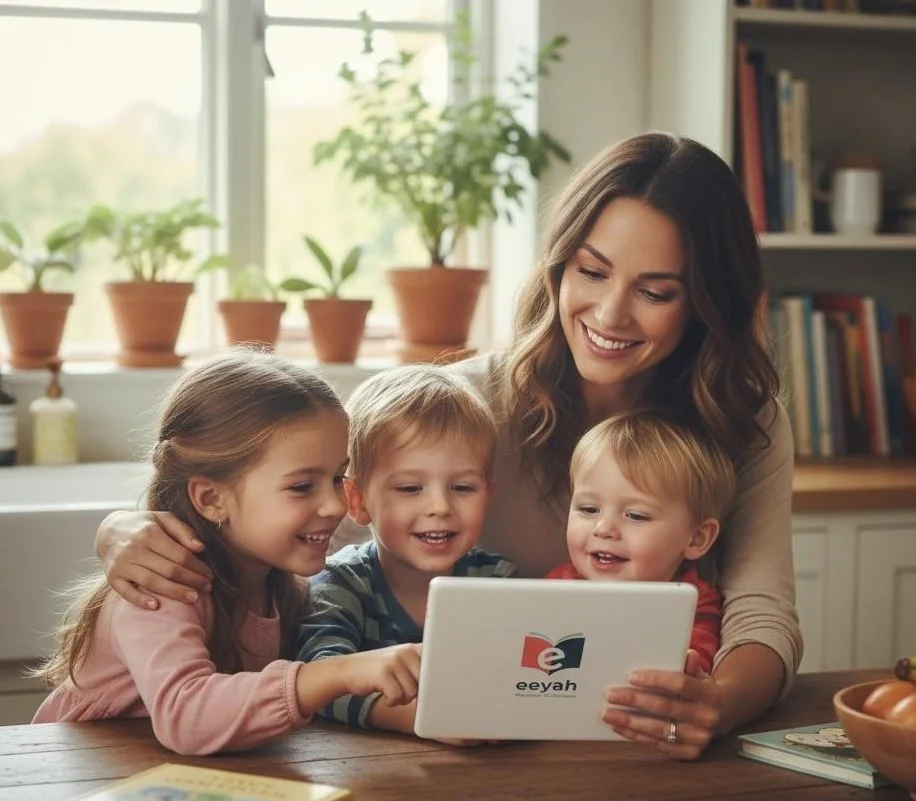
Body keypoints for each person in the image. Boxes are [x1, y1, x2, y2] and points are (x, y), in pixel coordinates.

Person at [94, 133, 801, 761]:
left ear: (708, 301)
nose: (610, 313)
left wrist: (718, 703)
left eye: (656, 290)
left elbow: (763, 616)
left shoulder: (744, 422)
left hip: (633, 758)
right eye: (590, 272)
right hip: (446, 766)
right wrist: (124, 526)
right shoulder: (455, 406)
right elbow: (288, 494)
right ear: (557, 267)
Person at [31, 349, 422, 755]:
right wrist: (335, 674)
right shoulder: (162, 585)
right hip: (74, 792)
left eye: (338, 477)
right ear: (211, 498)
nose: (335, 505)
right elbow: (187, 716)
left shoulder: (286, 586)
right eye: (302, 486)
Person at [295, 364, 514, 738]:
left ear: (488, 495)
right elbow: (320, 681)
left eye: (462, 488)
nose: (440, 507)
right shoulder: (339, 584)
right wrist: (424, 718)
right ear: (358, 500)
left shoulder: (499, 582)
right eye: (411, 488)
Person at [545, 409, 735, 680]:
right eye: (588, 509)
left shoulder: (694, 603)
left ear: (697, 538)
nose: (604, 529)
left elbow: (693, 669)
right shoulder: (554, 588)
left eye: (636, 515)